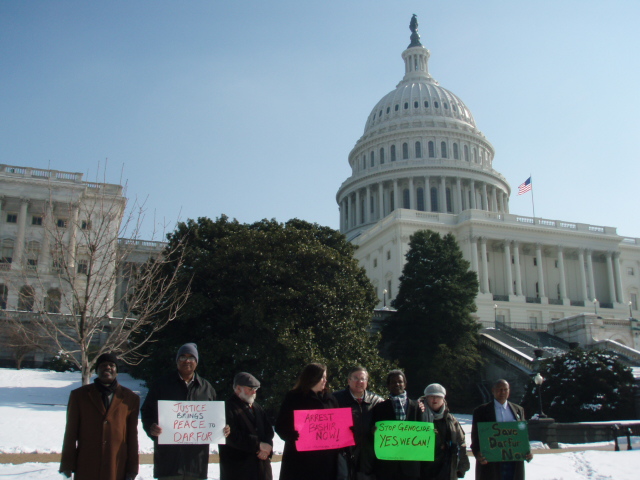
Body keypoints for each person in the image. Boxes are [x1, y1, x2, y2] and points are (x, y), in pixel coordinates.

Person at [141, 343, 229, 480]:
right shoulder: (162, 385)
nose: (187, 361)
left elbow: (215, 418)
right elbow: (147, 412)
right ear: (177, 361)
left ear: (197, 362)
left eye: (191, 358)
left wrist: (222, 429)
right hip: (168, 463)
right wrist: (151, 427)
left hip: (196, 465)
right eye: (183, 357)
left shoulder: (206, 389)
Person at [59, 352, 139, 480]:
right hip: (87, 464)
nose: (107, 368)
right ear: (97, 370)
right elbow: (70, 432)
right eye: (103, 365)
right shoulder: (79, 396)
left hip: (116, 465)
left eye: (112, 365)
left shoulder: (130, 398)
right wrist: (67, 465)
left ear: (116, 371)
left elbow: (132, 436)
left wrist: (133, 468)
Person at [274, 362, 340, 480]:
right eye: (322, 377)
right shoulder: (294, 397)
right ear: (312, 377)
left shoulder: (330, 399)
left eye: (326, 377)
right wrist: (292, 436)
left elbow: (338, 423)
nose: (325, 380)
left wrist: (345, 431)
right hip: (300, 459)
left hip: (326, 460)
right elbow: (281, 425)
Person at [470, 379, 533, 480]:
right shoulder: (481, 411)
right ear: (493, 390)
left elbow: (522, 436)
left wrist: (527, 451)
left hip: (513, 462)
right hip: (491, 462)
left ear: (509, 391)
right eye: (499, 389)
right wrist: (477, 453)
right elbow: (475, 437)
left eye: (505, 389)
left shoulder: (518, 410)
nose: (502, 392)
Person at [219, 372, 274, 480]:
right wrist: (258, 445)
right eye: (250, 389)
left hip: (261, 467)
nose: (254, 392)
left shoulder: (257, 407)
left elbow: (268, 431)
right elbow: (231, 436)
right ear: (238, 389)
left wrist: (267, 447)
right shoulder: (227, 408)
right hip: (238, 469)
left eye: (256, 389)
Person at [334, 366, 383, 480]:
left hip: (368, 454)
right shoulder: (336, 399)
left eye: (363, 379)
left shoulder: (377, 401)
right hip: (343, 453)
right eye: (355, 378)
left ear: (367, 381)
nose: (359, 382)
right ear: (348, 380)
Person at [371, 369, 422, 480]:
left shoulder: (416, 407)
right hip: (387, 466)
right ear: (388, 386)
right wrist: (373, 432)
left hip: (410, 466)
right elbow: (373, 434)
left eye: (400, 381)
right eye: (393, 382)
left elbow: (423, 434)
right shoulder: (380, 408)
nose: (397, 384)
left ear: (405, 384)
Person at [420, 384, 469, 480]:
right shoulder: (417, 416)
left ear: (443, 399)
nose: (434, 399)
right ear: (426, 398)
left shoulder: (451, 420)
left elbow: (461, 443)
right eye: (431, 396)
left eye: (438, 396)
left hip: (447, 468)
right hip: (424, 469)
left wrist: (462, 466)